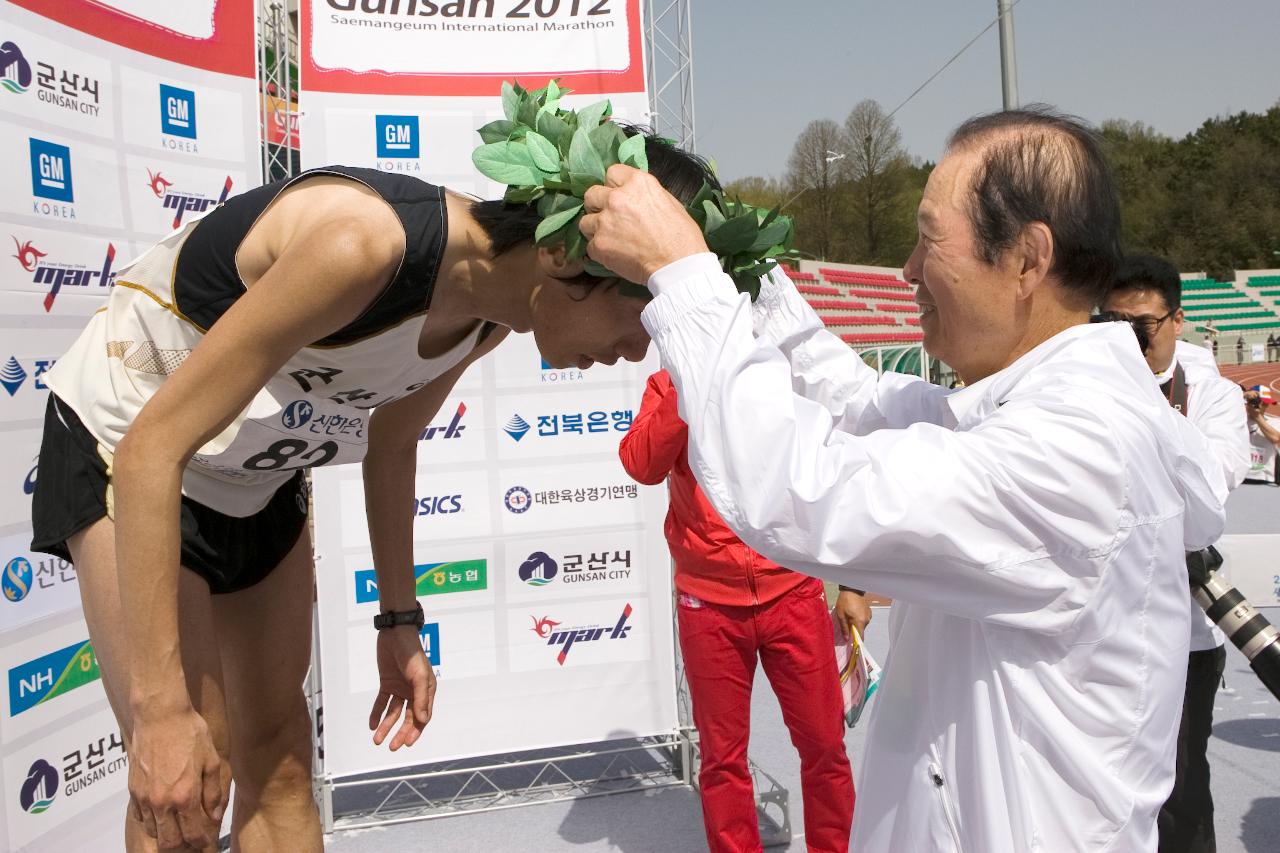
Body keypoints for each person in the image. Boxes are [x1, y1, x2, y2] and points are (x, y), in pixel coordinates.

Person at [30, 135, 716, 852]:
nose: (640, 351)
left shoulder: (492, 314)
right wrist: (159, 708)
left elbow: (392, 442)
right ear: (562, 254)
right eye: (640, 319)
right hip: (131, 446)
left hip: (253, 473)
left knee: (283, 755)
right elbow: (150, 449)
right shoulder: (362, 246)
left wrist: (398, 618)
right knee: (189, 796)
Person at [577, 107, 1228, 851]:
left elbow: (800, 490)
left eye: (927, 239)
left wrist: (684, 276)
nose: (910, 270)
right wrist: (746, 275)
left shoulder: (1078, 448)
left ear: (1026, 257)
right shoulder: (1037, 406)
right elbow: (859, 400)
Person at [619, 369, 859, 852]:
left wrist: (852, 583)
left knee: (825, 748)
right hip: (708, 602)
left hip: (792, 592)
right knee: (722, 760)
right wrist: (687, 385)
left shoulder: (778, 371)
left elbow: (838, 472)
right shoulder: (670, 383)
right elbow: (642, 464)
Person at [1103, 254, 1250, 853]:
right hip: (1103, 624)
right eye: (1110, 325)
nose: (1127, 341)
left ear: (1178, 322)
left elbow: (1208, 497)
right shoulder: (1081, 392)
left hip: (1186, 629)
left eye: (1141, 326)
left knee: (1181, 786)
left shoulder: (1211, 396)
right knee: (1103, 788)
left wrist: (1143, 405)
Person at [1243, 387, 1280, 484]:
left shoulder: (1275, 422)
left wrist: (1257, 417)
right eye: (1262, 403)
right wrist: (1241, 396)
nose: (1265, 405)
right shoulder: (1238, 420)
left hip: (1264, 478)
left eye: (1266, 403)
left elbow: (1276, 438)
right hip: (1239, 477)